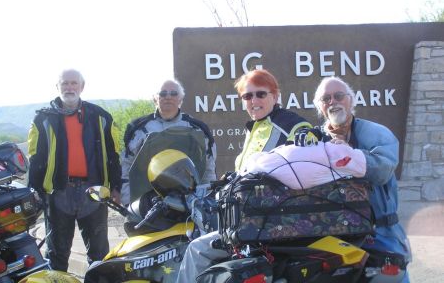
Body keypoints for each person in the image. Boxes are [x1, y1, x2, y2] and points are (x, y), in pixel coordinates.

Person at [175, 68, 315, 282]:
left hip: (268, 221)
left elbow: (308, 155)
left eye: (261, 94)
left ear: (275, 96)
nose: (253, 100)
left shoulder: (289, 124)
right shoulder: (257, 127)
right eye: (247, 96)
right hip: (252, 216)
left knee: (197, 249)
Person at [298, 76, 411, 281]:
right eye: (326, 99)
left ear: (351, 100)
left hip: (380, 235)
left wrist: (347, 154)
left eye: (339, 96)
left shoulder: (377, 134)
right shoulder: (314, 138)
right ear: (319, 107)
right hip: (333, 238)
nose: (333, 102)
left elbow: (382, 171)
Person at [27, 69, 122, 271]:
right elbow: (35, 158)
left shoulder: (101, 116)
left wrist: (116, 187)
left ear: (82, 86)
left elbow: (113, 154)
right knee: (57, 256)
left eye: (73, 83)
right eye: (65, 83)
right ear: (57, 87)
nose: (69, 88)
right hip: (58, 192)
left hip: (94, 192)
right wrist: (34, 191)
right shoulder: (43, 118)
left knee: (99, 255)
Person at [120, 78, 217, 206]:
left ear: (180, 100)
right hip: (147, 201)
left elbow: (208, 168)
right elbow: (127, 167)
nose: (168, 97)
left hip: (189, 201)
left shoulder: (198, 129)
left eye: (173, 93)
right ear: (155, 98)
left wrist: (207, 200)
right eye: (163, 93)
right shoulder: (137, 128)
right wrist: (129, 203)